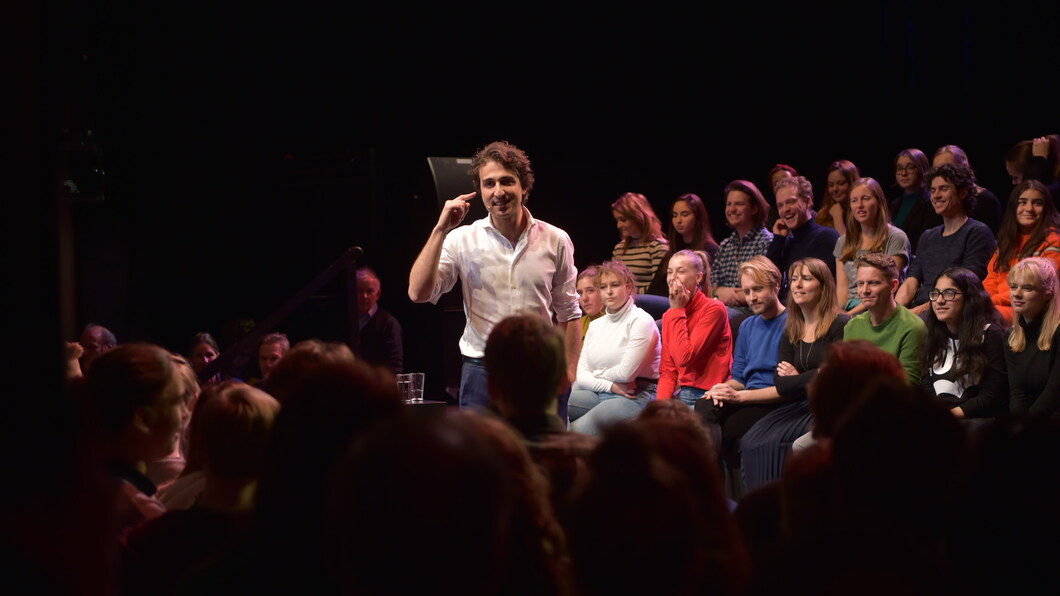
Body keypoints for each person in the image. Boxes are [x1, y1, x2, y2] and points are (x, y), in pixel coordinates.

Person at [408, 140, 582, 415]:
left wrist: (568, 372)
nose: (498, 192)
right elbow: (418, 293)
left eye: (507, 181)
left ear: (524, 186)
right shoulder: (461, 239)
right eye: (489, 184)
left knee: (541, 444)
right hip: (482, 370)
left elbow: (569, 312)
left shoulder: (555, 239)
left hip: (539, 367)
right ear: (480, 190)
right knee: (481, 444)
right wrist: (440, 229)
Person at [740, 258, 849, 490]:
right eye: (795, 279)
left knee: (778, 442)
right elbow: (781, 384)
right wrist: (814, 374)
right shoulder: (792, 328)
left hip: (826, 406)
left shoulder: (840, 324)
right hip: (797, 403)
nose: (797, 285)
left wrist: (798, 376)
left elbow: (835, 377)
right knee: (750, 441)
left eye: (806, 279)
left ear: (823, 287)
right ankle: (761, 504)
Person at [83, 343, 190, 533]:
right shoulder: (142, 517)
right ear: (143, 419)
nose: (185, 413)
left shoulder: (82, 477)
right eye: (178, 401)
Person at [702, 256, 788, 493]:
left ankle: (715, 491)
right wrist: (723, 388)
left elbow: (786, 385)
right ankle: (712, 488)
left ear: (776, 285)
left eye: (758, 289)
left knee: (726, 430)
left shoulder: (792, 322)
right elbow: (740, 377)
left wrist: (739, 395)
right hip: (746, 393)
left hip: (770, 398)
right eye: (747, 291)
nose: (752, 297)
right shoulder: (748, 325)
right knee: (704, 403)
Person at [568, 261, 660, 436]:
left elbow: (626, 375)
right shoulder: (596, 325)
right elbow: (581, 374)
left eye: (615, 285)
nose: (609, 291)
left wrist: (596, 373)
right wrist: (610, 386)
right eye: (603, 287)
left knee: (576, 431)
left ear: (628, 287)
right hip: (602, 390)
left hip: (635, 395)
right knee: (552, 407)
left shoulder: (641, 321)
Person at [895, 163, 996, 316]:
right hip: (920, 312)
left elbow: (963, 287)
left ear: (962, 192)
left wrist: (912, 315)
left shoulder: (977, 233)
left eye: (943, 189)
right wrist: (895, 312)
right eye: (933, 190)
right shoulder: (928, 236)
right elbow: (911, 282)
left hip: (949, 311)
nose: (935, 196)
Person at [920, 267, 1008, 420]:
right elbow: (927, 384)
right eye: (936, 293)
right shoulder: (932, 332)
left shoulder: (991, 334)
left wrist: (946, 417)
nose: (939, 300)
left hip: (978, 420)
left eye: (949, 293)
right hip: (941, 419)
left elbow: (991, 395)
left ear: (969, 298)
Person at [656, 250, 732, 407]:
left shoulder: (714, 309)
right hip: (684, 393)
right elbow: (668, 371)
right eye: (670, 272)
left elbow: (684, 358)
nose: (673, 278)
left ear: (698, 277)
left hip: (709, 395)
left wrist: (678, 310)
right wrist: (659, 409)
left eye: (681, 271)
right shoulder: (670, 315)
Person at [982, 180, 1060, 325]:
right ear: (1014, 207)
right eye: (1023, 202)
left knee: (978, 318)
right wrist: (982, 300)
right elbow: (991, 278)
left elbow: (1033, 288)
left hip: (1028, 309)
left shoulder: (1053, 242)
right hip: (996, 306)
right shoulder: (1007, 240)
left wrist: (989, 303)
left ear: (1046, 209)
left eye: (1037, 203)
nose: (1029, 208)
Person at [843, 253, 927, 384]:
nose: (864, 290)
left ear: (893, 286)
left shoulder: (912, 327)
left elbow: (907, 385)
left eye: (873, 283)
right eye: (860, 283)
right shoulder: (852, 326)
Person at [833, 177, 910, 317]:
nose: (859, 205)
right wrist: (839, 315)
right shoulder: (843, 241)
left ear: (879, 202)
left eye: (866, 198)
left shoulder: (896, 237)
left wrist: (848, 316)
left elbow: (885, 289)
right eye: (854, 200)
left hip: (881, 308)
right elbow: (842, 294)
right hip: (850, 311)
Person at [711, 180, 774, 332]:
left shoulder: (766, 241)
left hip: (752, 311)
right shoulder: (725, 245)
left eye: (739, 204)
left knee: (709, 319)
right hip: (722, 307)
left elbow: (762, 287)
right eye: (729, 204)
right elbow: (710, 287)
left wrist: (732, 294)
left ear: (754, 209)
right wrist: (719, 291)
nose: (732, 209)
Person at [765, 175, 840, 301]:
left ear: (808, 202)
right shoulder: (786, 243)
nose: (785, 209)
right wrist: (778, 239)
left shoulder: (827, 237)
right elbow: (767, 280)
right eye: (780, 205)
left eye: (791, 202)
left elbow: (817, 290)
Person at [1004, 256, 1060, 419]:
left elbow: (1054, 392)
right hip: (1031, 424)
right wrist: (1019, 425)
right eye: (1013, 287)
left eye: (1027, 288)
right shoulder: (1011, 337)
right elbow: (1017, 394)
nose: (1017, 294)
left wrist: (1028, 427)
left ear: (1047, 293)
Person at [646, 193, 719, 296]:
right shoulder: (673, 250)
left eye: (685, 215)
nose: (678, 220)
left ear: (697, 217)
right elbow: (654, 289)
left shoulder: (710, 250)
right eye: (675, 215)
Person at [932, 144, 1002, 233]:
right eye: (937, 169)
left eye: (947, 168)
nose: (941, 174)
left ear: (964, 168)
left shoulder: (986, 200)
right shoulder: (937, 202)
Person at [610, 191, 670, 294]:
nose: (619, 225)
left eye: (623, 220)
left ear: (639, 218)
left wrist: (627, 293)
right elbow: (613, 283)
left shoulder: (658, 247)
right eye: (617, 220)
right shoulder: (619, 249)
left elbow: (657, 287)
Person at [889, 148, 941, 254]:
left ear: (922, 169)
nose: (904, 173)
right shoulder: (893, 204)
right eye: (899, 168)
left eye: (910, 167)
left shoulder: (931, 202)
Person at [354, 267, 403, 373]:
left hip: (377, 382)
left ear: (378, 294)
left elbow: (394, 367)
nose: (364, 296)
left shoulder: (388, 323)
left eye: (369, 291)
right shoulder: (343, 320)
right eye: (360, 291)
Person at [814, 159, 860, 235]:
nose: (835, 189)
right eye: (831, 185)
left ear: (852, 183)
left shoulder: (861, 212)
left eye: (841, 183)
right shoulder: (823, 215)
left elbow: (845, 242)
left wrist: (837, 217)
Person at [576, 265, 605, 340]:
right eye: (580, 293)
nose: (584, 298)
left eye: (590, 291)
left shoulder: (618, 323)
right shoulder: (577, 326)